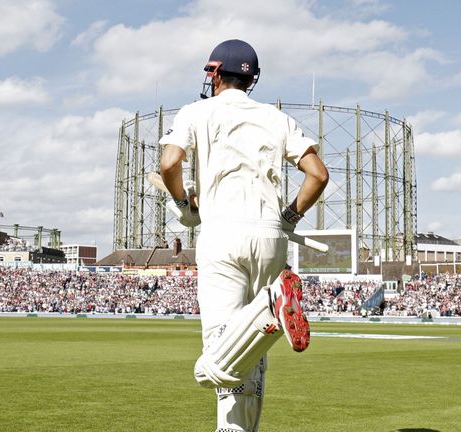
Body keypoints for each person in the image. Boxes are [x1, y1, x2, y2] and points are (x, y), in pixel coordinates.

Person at [158, 39, 329, 432]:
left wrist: (185, 205)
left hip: (222, 235)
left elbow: (169, 163)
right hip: (271, 237)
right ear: (251, 79)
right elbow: (318, 175)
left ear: (216, 74)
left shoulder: (196, 112)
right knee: (249, 354)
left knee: (214, 363)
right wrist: (288, 218)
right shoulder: (275, 117)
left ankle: (271, 305)